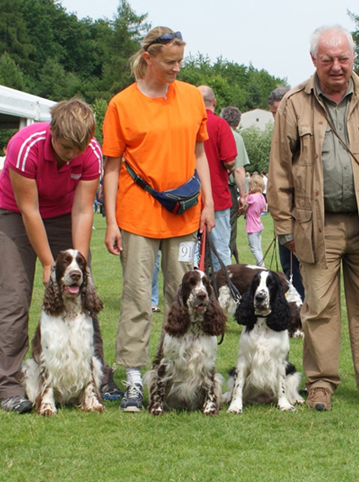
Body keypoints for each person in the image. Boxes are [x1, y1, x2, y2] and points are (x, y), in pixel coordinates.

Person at [267, 25, 359, 411]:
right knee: (319, 309)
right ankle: (320, 385)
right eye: (328, 59)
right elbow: (279, 172)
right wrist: (285, 228)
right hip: (315, 226)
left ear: (352, 59)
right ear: (313, 60)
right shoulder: (295, 103)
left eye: (343, 58)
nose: (336, 66)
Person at [102, 27, 215, 413]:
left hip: (184, 216)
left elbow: (200, 154)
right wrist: (112, 221)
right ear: (147, 58)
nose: (176, 69)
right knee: (136, 297)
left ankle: (181, 373)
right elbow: (112, 168)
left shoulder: (190, 97)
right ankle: (134, 379)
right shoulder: (121, 104)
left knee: (182, 298)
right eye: (170, 62)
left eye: (181, 62)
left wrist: (210, 203)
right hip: (136, 217)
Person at [0, 98, 121, 413]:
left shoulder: (90, 153)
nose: (73, 156)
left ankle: (97, 376)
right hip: (15, 216)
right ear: (52, 134)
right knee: (14, 299)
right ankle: (8, 386)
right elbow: (29, 210)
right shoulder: (25, 146)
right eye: (66, 149)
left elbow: (83, 209)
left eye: (79, 149)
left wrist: (78, 263)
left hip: (64, 214)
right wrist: (49, 264)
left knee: (84, 290)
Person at [268, 86, 304, 300]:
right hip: (285, 213)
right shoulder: (278, 134)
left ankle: (301, 307)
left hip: (301, 212)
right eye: (273, 113)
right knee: (289, 265)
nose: (276, 117)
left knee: (298, 267)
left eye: (278, 111)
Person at [197, 86, 237, 268]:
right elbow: (229, 161)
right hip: (217, 197)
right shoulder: (220, 124)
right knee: (221, 252)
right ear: (214, 102)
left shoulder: (189, 123)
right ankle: (224, 292)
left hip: (190, 199)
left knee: (192, 253)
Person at [220, 106, 249, 265]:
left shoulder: (209, 130)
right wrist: (243, 196)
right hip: (226, 190)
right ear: (237, 123)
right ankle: (225, 271)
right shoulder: (235, 137)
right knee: (228, 233)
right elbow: (238, 169)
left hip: (206, 188)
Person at [245, 174, 267, 266]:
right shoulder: (262, 197)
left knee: (254, 248)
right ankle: (260, 265)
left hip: (252, 226)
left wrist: (247, 193)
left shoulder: (252, 197)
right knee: (258, 248)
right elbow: (262, 209)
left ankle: (261, 266)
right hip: (258, 224)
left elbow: (244, 202)